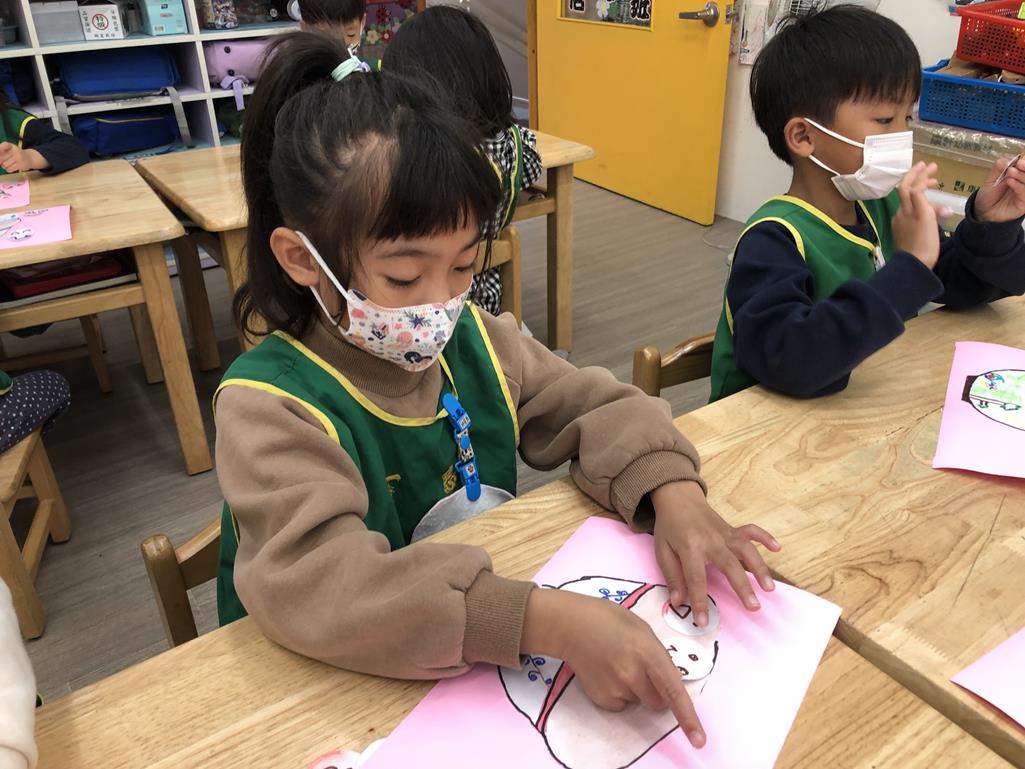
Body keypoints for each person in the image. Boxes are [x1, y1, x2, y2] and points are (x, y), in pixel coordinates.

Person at [217, 31, 781, 748]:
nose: (440, 301)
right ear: (303, 259)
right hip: (322, 697)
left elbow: (594, 404)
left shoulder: (476, 338)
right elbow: (322, 589)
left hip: (461, 670)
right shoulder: (268, 407)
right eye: (403, 276)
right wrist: (544, 621)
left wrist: (672, 491)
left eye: (462, 265)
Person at [709, 5, 1025, 402]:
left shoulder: (884, 206)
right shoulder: (773, 240)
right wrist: (910, 266)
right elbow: (792, 361)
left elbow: (964, 288)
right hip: (764, 428)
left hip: (856, 413)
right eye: (885, 120)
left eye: (908, 118)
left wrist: (991, 226)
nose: (903, 135)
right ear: (804, 137)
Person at [384, 5, 542, 315]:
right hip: (487, 294)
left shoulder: (418, 160)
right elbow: (531, 169)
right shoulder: (513, 143)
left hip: (425, 309)